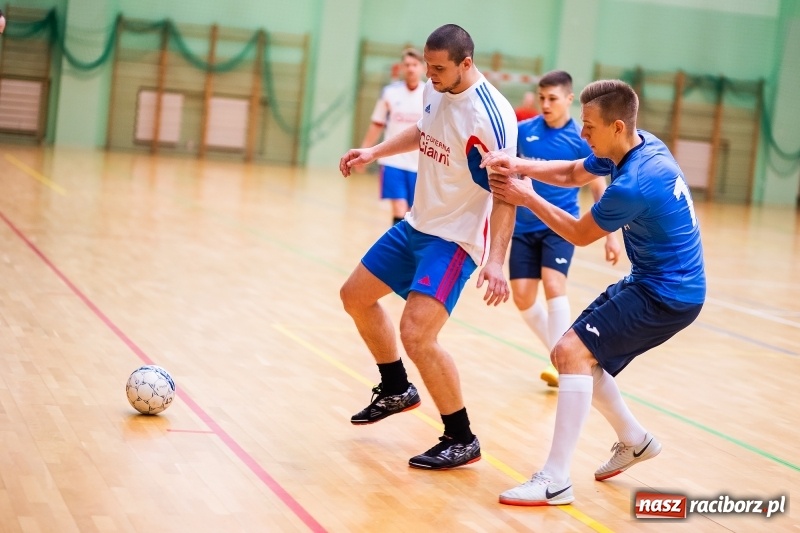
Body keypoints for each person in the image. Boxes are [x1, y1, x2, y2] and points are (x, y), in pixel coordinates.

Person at [482, 79, 705, 505]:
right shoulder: (636, 145)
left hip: (668, 294)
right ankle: (634, 439)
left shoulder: (636, 182)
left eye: (589, 127)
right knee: (571, 354)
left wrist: (527, 197)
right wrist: (520, 164)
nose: (582, 134)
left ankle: (555, 480)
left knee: (571, 352)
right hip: (653, 281)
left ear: (617, 126)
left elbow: (580, 234)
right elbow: (571, 173)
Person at [338, 24, 517, 470]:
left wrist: (497, 261)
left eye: (438, 69)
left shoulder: (492, 116)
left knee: (417, 334)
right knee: (354, 296)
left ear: (466, 64)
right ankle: (396, 387)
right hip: (417, 224)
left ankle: (461, 437)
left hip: (454, 238)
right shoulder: (435, 90)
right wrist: (374, 152)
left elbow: (506, 194)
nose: (430, 75)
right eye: (427, 66)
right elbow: (424, 130)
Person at [510, 71, 620, 388]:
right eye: (541, 98)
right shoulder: (523, 132)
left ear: (569, 99)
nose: (545, 104)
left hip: (559, 225)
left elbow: (599, 189)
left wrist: (611, 236)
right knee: (522, 297)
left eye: (552, 99)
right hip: (523, 226)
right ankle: (561, 353)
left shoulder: (581, 139)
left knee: (554, 283)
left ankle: (560, 362)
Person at [357, 48, 425, 225]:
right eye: (407, 65)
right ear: (401, 67)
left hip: (420, 163)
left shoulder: (430, 94)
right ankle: (398, 242)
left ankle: (407, 242)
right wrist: (365, 151)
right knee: (399, 207)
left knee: (412, 211)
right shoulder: (389, 93)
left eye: (415, 65)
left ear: (422, 68)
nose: (411, 69)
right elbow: (377, 123)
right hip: (393, 160)